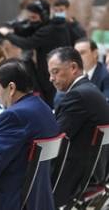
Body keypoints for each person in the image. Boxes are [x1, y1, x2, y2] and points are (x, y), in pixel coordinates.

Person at [0, 59, 58, 210]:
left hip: (7, 200)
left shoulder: (14, 116)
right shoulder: (43, 108)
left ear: (11, 88)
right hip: (39, 199)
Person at [47, 47, 109, 207]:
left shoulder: (77, 96)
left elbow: (55, 137)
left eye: (55, 72)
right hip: (95, 174)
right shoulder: (90, 90)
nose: (51, 78)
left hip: (72, 179)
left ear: (73, 68)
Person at [0, 0, 71, 108]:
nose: (31, 21)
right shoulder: (43, 26)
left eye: (34, 18)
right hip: (45, 74)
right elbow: (25, 29)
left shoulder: (52, 29)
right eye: (29, 18)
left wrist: (8, 34)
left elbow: (28, 43)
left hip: (56, 74)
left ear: (44, 16)